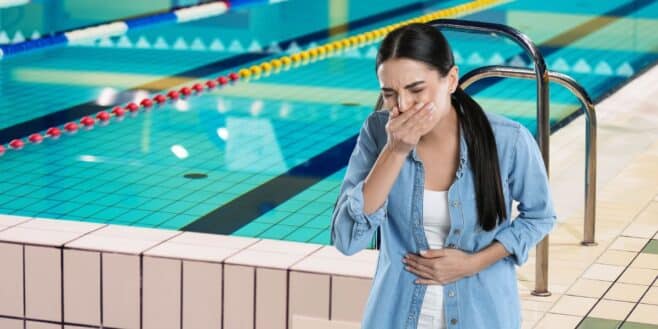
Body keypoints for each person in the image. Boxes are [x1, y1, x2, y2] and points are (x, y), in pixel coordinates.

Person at [330, 22, 557, 329]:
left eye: (416, 90)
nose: (403, 106)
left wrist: (472, 263)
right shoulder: (377, 134)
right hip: (397, 315)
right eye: (389, 94)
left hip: (481, 315)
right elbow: (347, 239)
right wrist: (395, 152)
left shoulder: (508, 140)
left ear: (451, 80)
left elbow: (540, 216)